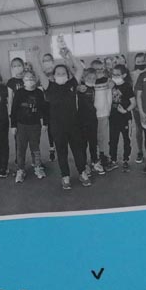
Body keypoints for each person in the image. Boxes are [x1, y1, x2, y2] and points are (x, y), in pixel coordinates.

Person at [44, 46, 91, 189]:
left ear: (67, 75)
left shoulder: (72, 84)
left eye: (63, 73)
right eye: (58, 73)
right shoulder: (49, 86)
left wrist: (69, 54)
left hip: (73, 125)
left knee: (78, 150)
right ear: (53, 75)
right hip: (57, 127)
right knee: (61, 152)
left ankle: (82, 172)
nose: (61, 75)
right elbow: (39, 72)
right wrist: (35, 57)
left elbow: (80, 69)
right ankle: (65, 176)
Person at [10, 69, 47, 183]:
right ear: (23, 81)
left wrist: (45, 123)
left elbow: (44, 109)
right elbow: (14, 109)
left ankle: (37, 166)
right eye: (27, 78)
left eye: (32, 78)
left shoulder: (39, 93)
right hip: (21, 126)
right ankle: (20, 169)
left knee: (35, 147)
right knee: (21, 149)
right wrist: (13, 125)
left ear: (35, 79)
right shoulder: (19, 93)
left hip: (35, 125)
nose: (30, 80)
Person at [108, 64, 136, 171]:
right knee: (113, 140)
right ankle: (113, 160)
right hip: (113, 118)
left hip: (125, 118)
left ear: (124, 75)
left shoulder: (127, 86)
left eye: (117, 75)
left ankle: (126, 160)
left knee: (126, 139)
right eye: (113, 74)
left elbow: (133, 103)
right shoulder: (111, 85)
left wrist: (126, 111)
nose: (115, 76)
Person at [77, 69, 104, 176]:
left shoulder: (95, 88)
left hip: (93, 120)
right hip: (82, 121)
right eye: (89, 78)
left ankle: (94, 161)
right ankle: (84, 165)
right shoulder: (81, 88)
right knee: (83, 144)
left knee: (93, 142)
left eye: (94, 78)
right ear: (84, 78)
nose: (92, 80)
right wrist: (77, 87)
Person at [90, 58, 113, 171]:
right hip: (91, 114)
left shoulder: (107, 81)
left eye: (101, 69)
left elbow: (109, 96)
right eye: (96, 69)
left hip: (103, 113)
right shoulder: (89, 81)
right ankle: (94, 158)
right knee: (93, 137)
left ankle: (103, 155)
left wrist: (108, 110)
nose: (99, 71)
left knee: (103, 136)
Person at [39, 52, 57, 162]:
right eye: (45, 60)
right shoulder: (42, 74)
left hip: (58, 104)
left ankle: (60, 145)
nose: (47, 62)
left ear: (53, 61)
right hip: (46, 104)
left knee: (59, 126)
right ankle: (51, 147)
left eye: (48, 60)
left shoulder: (57, 72)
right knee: (49, 127)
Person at [130, 52, 146, 163]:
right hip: (136, 106)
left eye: (142, 61)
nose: (140, 63)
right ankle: (140, 151)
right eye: (138, 61)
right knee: (139, 128)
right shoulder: (132, 74)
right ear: (135, 62)